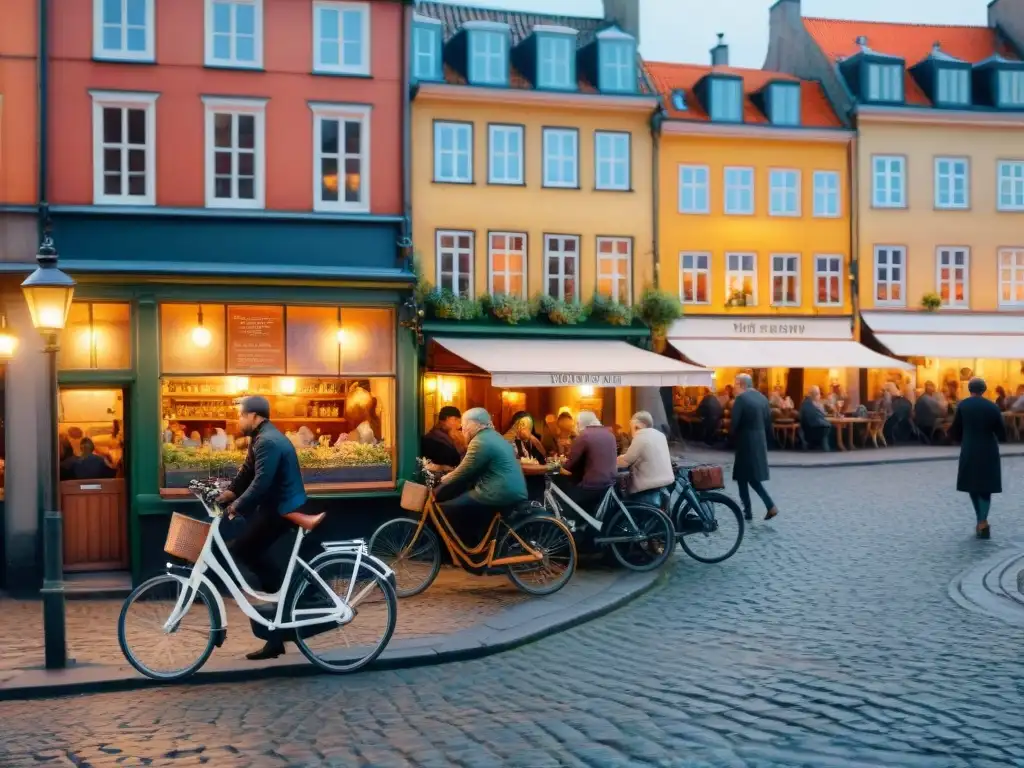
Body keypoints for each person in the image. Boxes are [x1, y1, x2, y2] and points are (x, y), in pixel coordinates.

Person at [215, 395, 308, 661]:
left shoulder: (267, 440)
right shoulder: (261, 438)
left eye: (241, 415)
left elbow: (261, 483)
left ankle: (282, 598)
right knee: (249, 549)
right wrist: (229, 494)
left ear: (254, 416)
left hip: (282, 509)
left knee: (245, 548)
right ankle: (277, 618)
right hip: (274, 507)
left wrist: (237, 506)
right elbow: (248, 472)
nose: (238, 419)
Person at [435, 408, 528, 543]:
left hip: (496, 492)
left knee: (448, 509)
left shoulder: (480, 441)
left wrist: (444, 479)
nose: (463, 428)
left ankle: (467, 551)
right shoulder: (495, 436)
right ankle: (480, 549)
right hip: (513, 490)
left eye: (465, 424)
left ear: (474, 424)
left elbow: (465, 470)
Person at [950, 378, 1006, 539]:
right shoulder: (992, 407)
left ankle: (980, 520)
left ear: (969, 389)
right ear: (984, 390)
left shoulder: (963, 406)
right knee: (986, 487)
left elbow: (956, 429)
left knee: (972, 485)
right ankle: (982, 521)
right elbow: (1001, 433)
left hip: (969, 448)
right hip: (988, 449)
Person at [731, 374, 779, 521]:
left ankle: (749, 511)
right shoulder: (763, 399)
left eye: (735, 384)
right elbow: (768, 422)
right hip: (759, 440)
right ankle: (769, 506)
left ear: (741, 384)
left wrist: (729, 439)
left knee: (742, 477)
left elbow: (735, 423)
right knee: (751, 477)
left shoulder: (741, 399)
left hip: (745, 441)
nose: (734, 388)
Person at [560, 411, 618, 513]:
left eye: (577, 423)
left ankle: (573, 526)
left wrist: (561, 464)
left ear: (580, 423)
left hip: (593, 485)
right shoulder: (610, 434)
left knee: (567, 500)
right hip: (610, 483)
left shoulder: (584, 436)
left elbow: (570, 464)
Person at [617, 411, 674, 508]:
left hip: (647, 485)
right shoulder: (660, 435)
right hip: (665, 481)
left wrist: (612, 461)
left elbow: (626, 461)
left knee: (625, 499)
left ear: (636, 426)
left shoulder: (641, 437)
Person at [421, 405, 464, 471]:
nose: (457, 424)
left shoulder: (450, 435)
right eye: (455, 419)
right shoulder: (432, 438)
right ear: (447, 418)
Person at [799, 386, 832, 451]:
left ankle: (814, 445)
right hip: (822, 428)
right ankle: (826, 447)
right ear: (816, 395)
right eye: (819, 394)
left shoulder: (804, 403)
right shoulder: (815, 404)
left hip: (807, 431)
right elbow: (822, 415)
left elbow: (801, 417)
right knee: (829, 426)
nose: (820, 396)